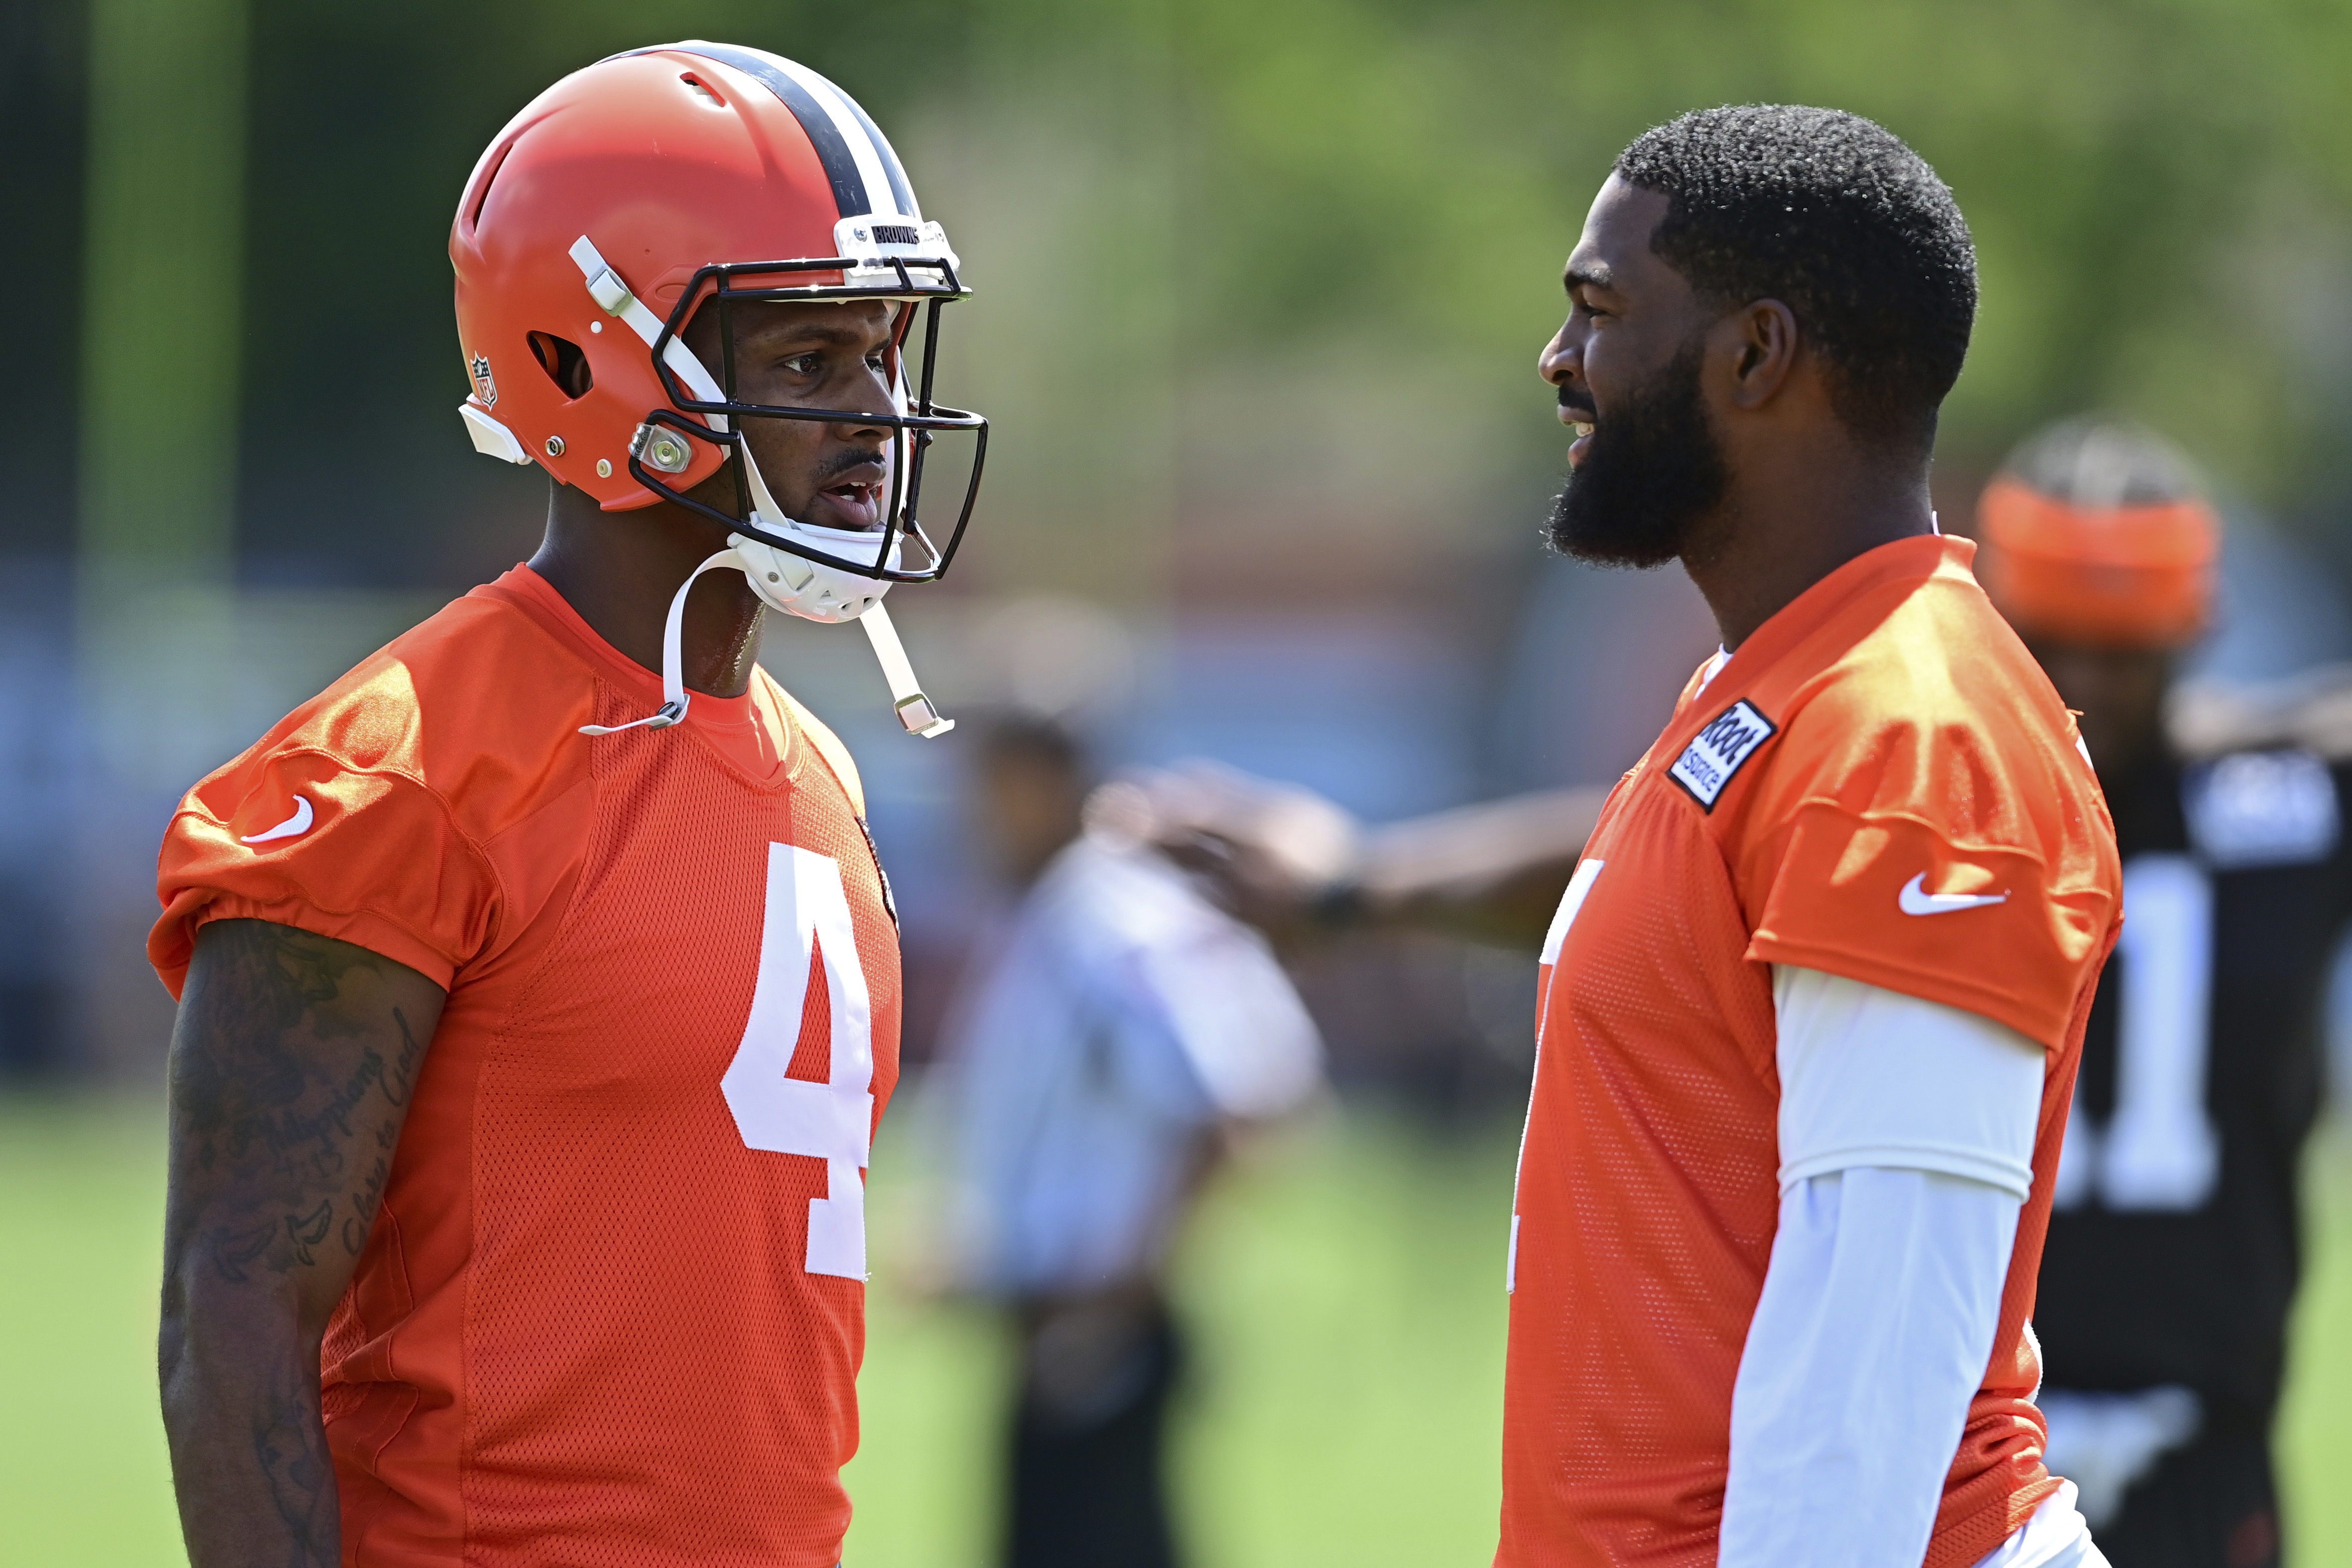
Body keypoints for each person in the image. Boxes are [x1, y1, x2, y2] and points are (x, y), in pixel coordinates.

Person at [1150, 105, 2127, 1566]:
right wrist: (1361, 886)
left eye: (1596, 311)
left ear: (1752, 356)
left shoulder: (1908, 738)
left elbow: (1875, 1357)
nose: (1557, 361)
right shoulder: (1769, 691)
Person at [148, 43, 984, 1567]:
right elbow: (233, 1319)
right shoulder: (398, 770)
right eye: (807, 360)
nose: (875, 413)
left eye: (880, 350)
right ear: (587, 363)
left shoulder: (819, 764)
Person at [1979, 418, 2349, 1568]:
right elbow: (1660, 848)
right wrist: (1396, 884)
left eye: (2124, 644)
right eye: (2055, 640)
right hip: (1969, 1463)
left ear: (2195, 631)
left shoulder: (2290, 796)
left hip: (2203, 1457)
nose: (2086, 680)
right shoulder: (1922, 801)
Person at [935, 716, 1323, 1568]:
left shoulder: (1107, 916)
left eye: (992, 784)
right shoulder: (1056, 906)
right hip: (1055, 1313)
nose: (974, 812)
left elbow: (1233, 1103)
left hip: (1097, 1322)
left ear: (1043, 778)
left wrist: (1120, 1296)